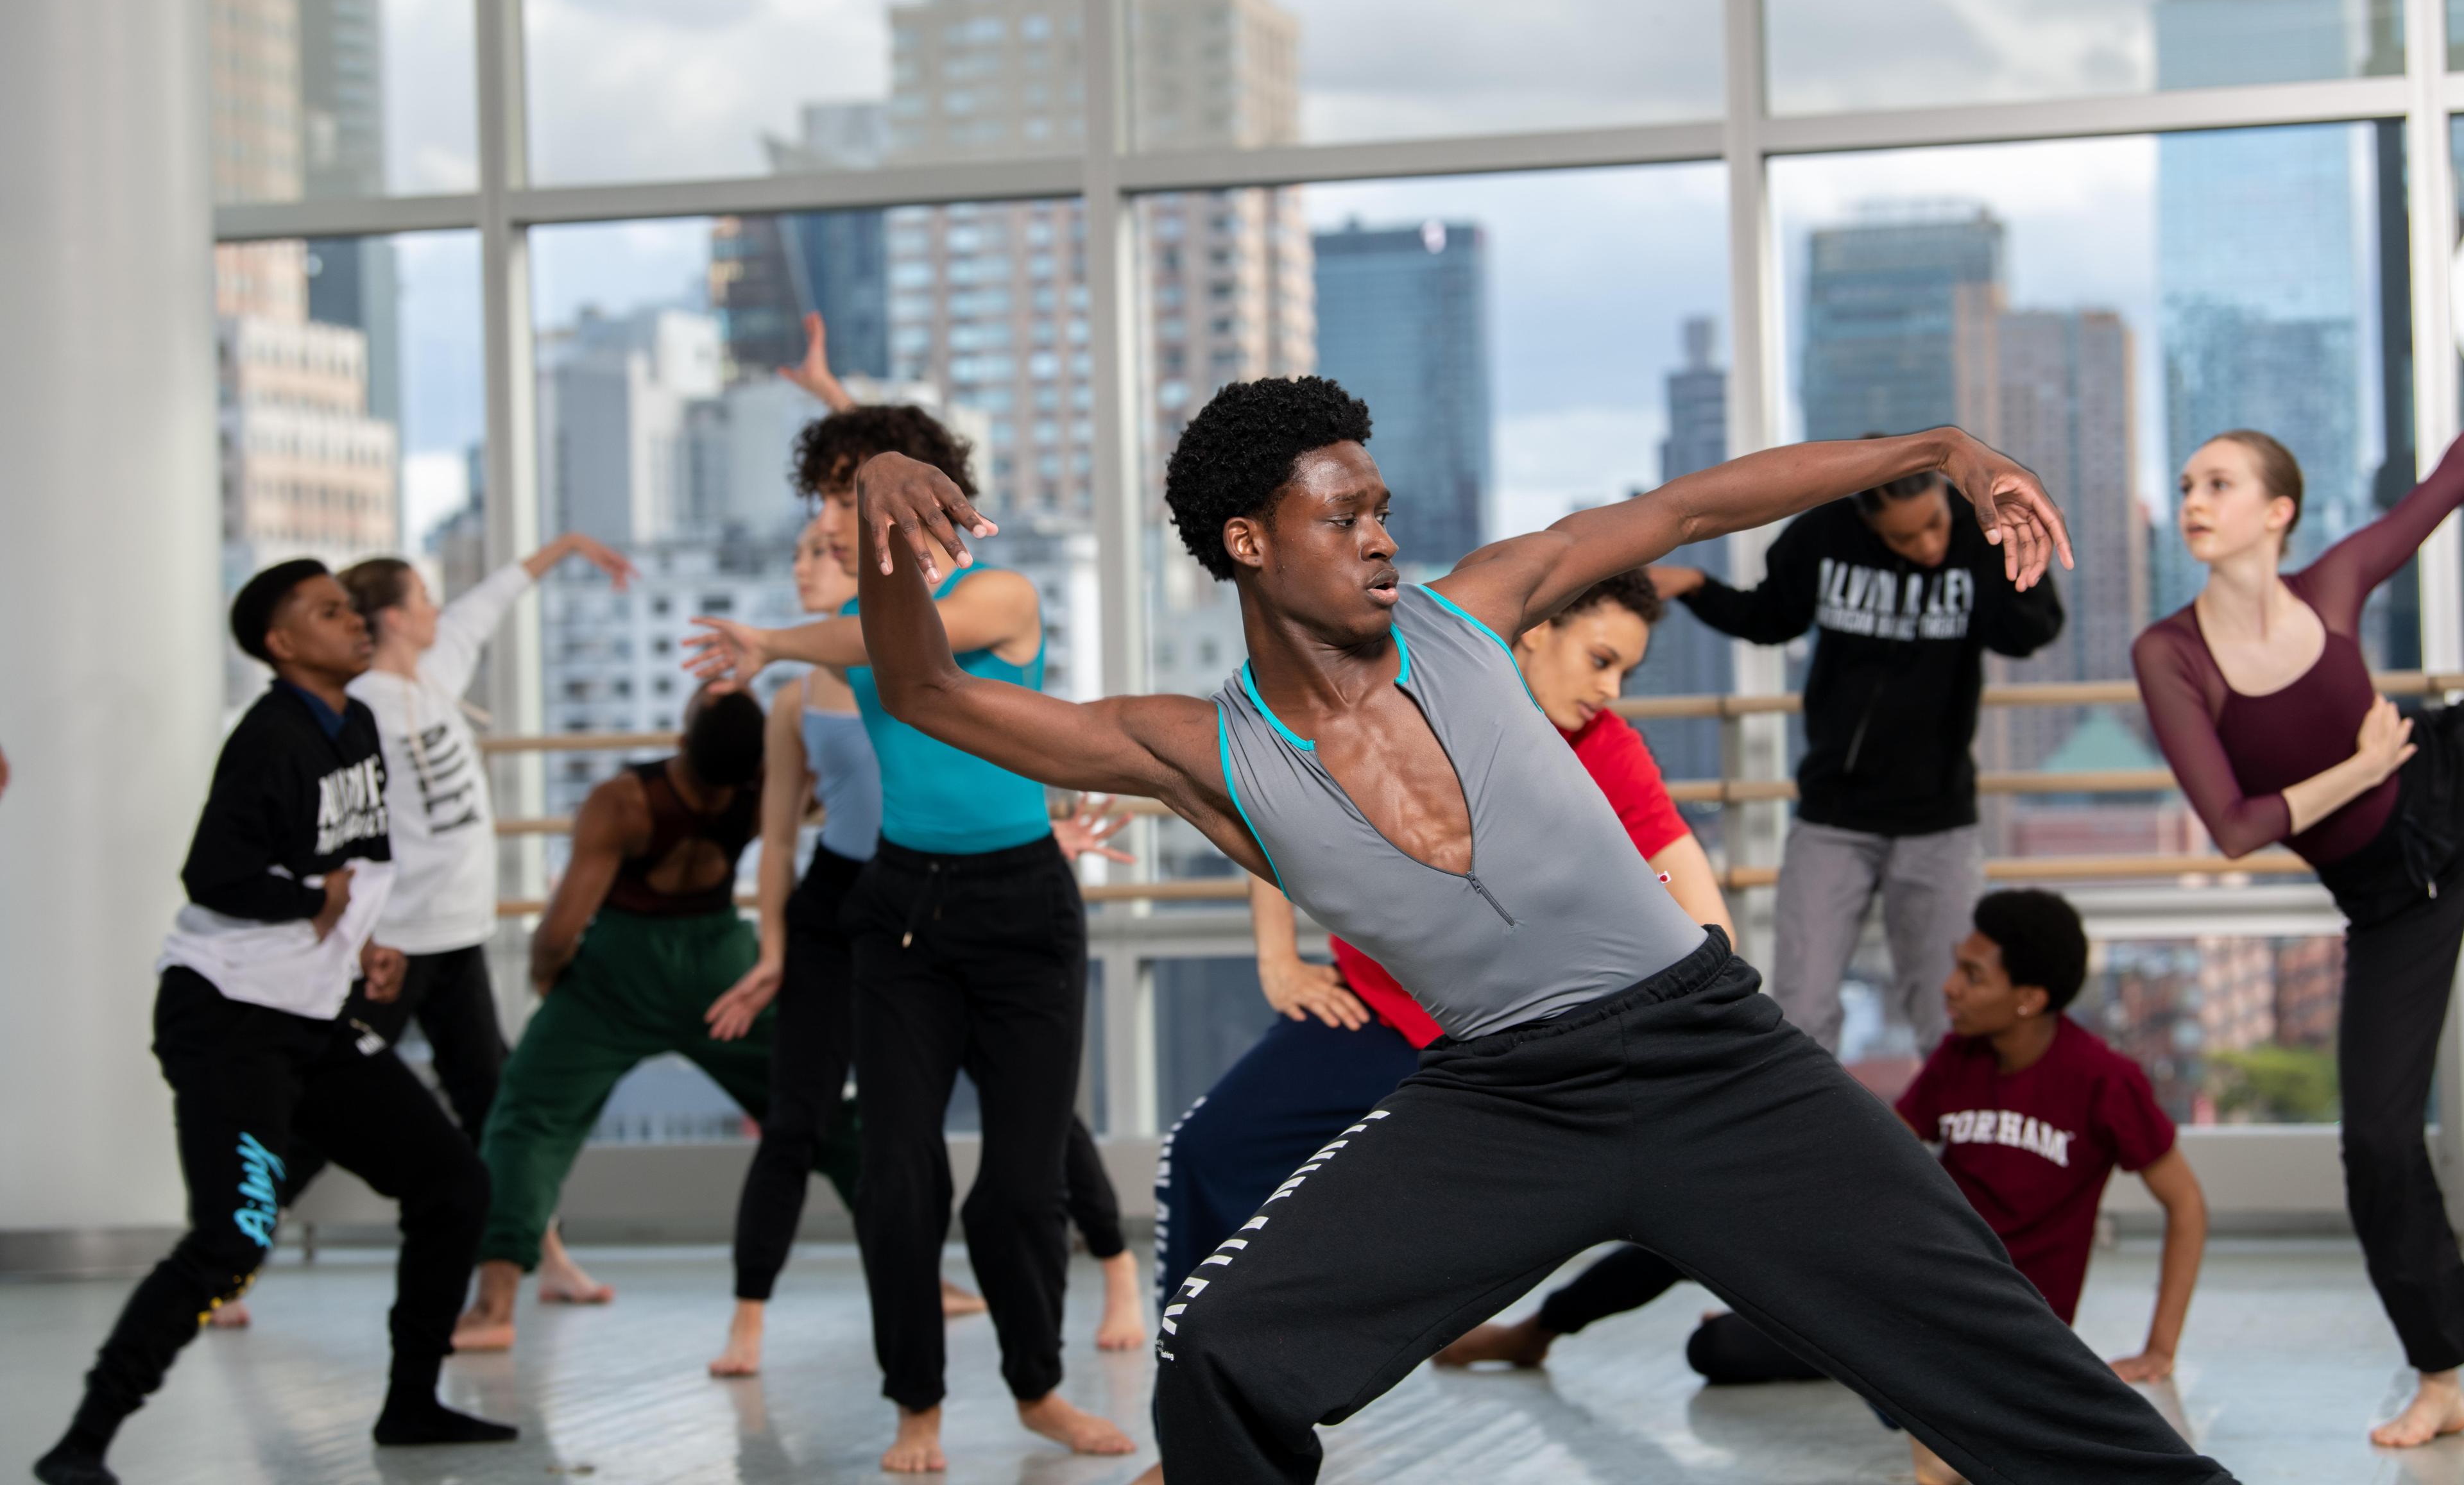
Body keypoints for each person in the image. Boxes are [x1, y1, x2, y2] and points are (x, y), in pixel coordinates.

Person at [823, 375, 2234, 1484]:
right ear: (1249, 543)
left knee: (1996, 1349)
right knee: (1224, 1351)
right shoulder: (1198, 747)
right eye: (1340, 514)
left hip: (1713, 1054)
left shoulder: (1476, 610)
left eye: (1382, 503)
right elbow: (929, 689)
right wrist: (887, 518)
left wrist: (1945, 443)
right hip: (1504, 1097)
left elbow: (1687, 511)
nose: (1380, 533)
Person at [683, 403, 1138, 1472]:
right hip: (900, 917)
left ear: (923, 494)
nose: (835, 520)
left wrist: (774, 632)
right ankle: (916, 1407)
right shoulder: (853, 619)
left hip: (1024, 916)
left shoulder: (999, 594)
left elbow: (904, 634)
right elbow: (859, 626)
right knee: (898, 1175)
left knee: (1023, 1191)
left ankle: (1038, 1390)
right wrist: (798, 601)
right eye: (828, 501)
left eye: (855, 496)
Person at [1437, 889, 2209, 1485]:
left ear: (2029, 997)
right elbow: (1885, 1159)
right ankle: (1537, 1332)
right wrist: (1780, 1254)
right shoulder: (1959, 1058)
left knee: (1827, 1357)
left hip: (1996, 1320)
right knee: (1710, 1301)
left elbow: (2186, 1204)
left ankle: (1922, 1404)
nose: (1950, 987)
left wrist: (2160, 1348)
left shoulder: (2105, 1081)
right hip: (1903, 1284)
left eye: (1972, 974)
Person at [34, 561, 514, 1485]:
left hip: (313, 1016)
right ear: (282, 646)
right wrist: (311, 897)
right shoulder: (268, 742)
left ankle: (412, 1404)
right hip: (227, 1021)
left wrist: (367, 938)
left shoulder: (359, 722)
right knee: (234, 1237)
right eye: (328, 613)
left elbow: (366, 854)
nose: (352, 621)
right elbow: (212, 877)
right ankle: (83, 1443)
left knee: (453, 1183)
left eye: (350, 605)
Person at [1155, 570, 1735, 1303]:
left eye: (1625, 670)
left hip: (1515, 1041)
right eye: (1600, 660)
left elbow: (1700, 901)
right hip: (1382, 1014)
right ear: (1536, 631)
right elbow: (1274, 805)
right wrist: (1279, 960)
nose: (1612, 689)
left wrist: (1698, 1018)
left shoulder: (1608, 747)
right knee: (1206, 1152)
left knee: (1707, 1175)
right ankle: (1203, 1383)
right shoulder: (1410, 702)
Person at [198, 534, 636, 1333]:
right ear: (394, 616)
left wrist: (569, 547)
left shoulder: (437, 673)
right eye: (425, 600)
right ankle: (231, 1262)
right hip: (392, 949)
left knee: (496, 1103)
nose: (440, 611)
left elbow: (494, 596)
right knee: (318, 1118)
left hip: (460, 938)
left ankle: (542, 1260)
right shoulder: (349, 705)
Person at [2134, 428, 2464, 1449]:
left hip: (2454, 788)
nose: (2195, 498)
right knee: (2375, 1140)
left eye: (2219, 484)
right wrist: (2357, 774)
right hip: (2392, 901)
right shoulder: (2172, 654)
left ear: (2276, 511)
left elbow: (2448, 482)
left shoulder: (2335, 584)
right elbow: (2235, 828)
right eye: (2188, 485)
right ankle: (2448, 1370)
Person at [451, 687, 860, 1352]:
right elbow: (836, 796)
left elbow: (560, 928)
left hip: (621, 971)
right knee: (821, 1106)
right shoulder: (763, 789)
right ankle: (919, 1273)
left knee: (528, 1116)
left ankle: (494, 1304)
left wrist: (553, 983)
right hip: (723, 968)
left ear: (682, 738)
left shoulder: (625, 801)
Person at [1649, 463, 2064, 1056]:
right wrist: (1695, 583)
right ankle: (1816, 1145)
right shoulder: (1822, 535)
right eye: (1904, 537)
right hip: (1832, 818)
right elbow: (1770, 618)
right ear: (1866, 521)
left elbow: (2030, 632)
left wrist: (2021, 549)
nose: (1927, 545)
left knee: (1948, 1014)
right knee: (1803, 1003)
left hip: (1939, 819)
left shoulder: (1977, 535)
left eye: (1933, 525)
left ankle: (1943, 1146)